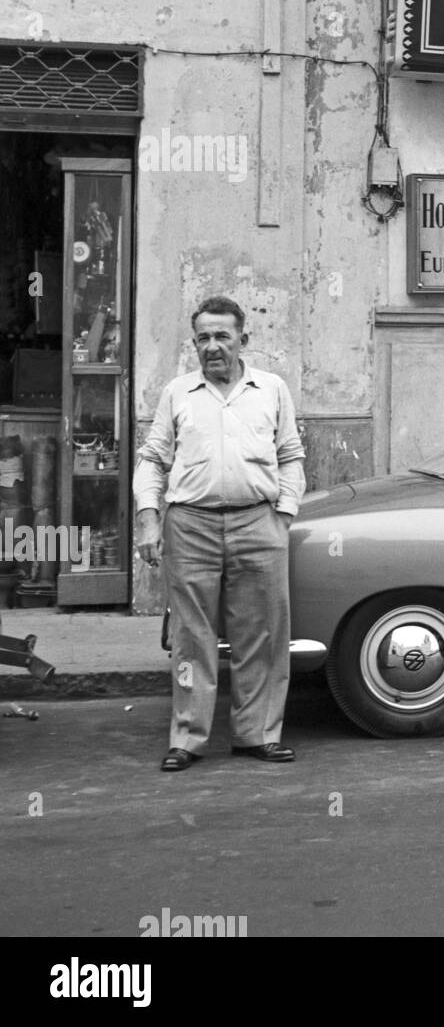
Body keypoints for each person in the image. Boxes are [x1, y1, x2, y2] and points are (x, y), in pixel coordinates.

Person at [134, 296, 306, 771]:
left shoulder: (270, 389)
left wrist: (283, 513)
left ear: (242, 340)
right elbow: (153, 459)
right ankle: (188, 738)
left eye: (221, 336)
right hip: (191, 525)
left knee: (264, 634)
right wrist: (149, 518)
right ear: (195, 344)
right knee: (192, 637)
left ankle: (258, 735)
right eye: (203, 338)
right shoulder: (178, 393)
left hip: (258, 520)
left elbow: (290, 455)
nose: (212, 346)